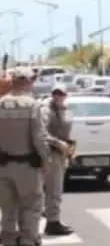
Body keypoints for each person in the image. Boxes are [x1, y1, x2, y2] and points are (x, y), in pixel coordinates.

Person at [0, 67, 51, 246]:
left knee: (7, 209)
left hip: (3, 166)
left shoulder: (0, 104)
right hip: (27, 166)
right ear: (29, 82)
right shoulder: (33, 105)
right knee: (31, 207)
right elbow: (39, 137)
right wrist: (46, 159)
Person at [41, 83, 75, 237]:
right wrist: (57, 143)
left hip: (61, 153)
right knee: (50, 189)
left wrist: (69, 150)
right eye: (56, 93)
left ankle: (53, 220)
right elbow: (41, 133)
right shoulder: (45, 110)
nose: (58, 96)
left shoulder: (66, 110)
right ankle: (51, 221)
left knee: (56, 189)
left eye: (61, 94)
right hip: (49, 153)